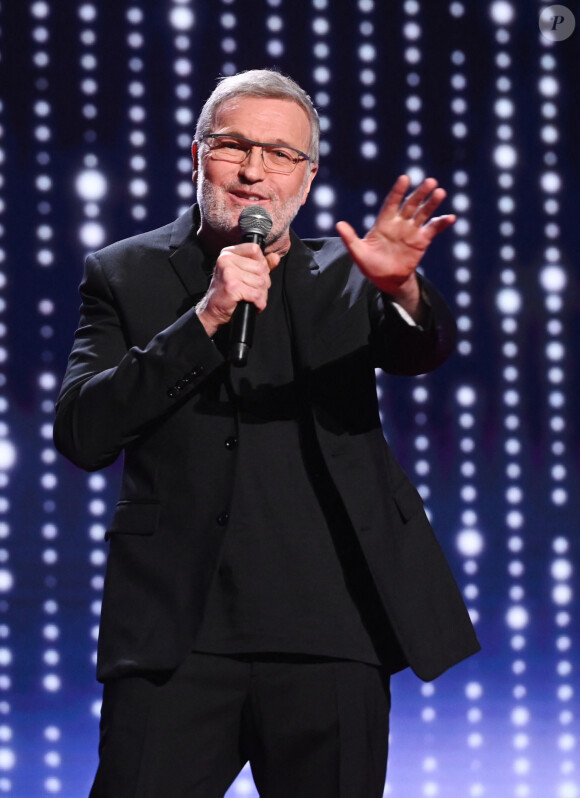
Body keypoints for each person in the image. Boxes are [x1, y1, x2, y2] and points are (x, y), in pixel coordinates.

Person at [54, 69, 480, 798]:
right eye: (234, 146)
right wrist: (206, 320)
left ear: (307, 178)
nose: (254, 171)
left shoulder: (349, 271)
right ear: (197, 155)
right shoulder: (123, 273)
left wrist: (403, 290)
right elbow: (84, 431)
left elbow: (421, 350)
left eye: (281, 154)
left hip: (334, 633)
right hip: (177, 640)